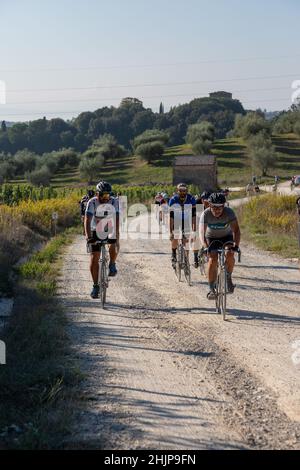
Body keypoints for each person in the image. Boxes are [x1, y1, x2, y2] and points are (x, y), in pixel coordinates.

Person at [199, 192, 241, 300]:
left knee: (230, 254)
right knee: (212, 259)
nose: (217, 210)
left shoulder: (229, 212)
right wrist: (205, 246)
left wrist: (236, 245)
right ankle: (211, 288)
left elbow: (236, 230)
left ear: (224, 206)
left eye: (220, 207)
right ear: (209, 205)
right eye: (214, 207)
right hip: (211, 238)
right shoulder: (205, 214)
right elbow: (201, 232)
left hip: (226, 237)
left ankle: (228, 276)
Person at [84, 181, 120, 299]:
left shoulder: (114, 201)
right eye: (103, 195)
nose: (105, 198)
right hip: (95, 229)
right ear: (97, 194)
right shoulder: (92, 202)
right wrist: (89, 237)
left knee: (113, 242)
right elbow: (87, 220)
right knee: (94, 257)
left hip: (108, 227)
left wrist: (116, 234)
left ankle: (112, 264)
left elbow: (117, 218)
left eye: (107, 195)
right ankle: (95, 286)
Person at [169, 183, 197, 268]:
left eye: (184, 190)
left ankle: (186, 260)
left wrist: (194, 230)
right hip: (176, 220)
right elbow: (171, 217)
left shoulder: (191, 199)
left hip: (186, 220)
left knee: (186, 240)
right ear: (177, 191)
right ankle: (174, 254)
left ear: (186, 191)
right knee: (175, 236)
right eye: (180, 190)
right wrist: (171, 232)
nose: (182, 192)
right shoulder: (173, 200)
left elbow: (193, 216)